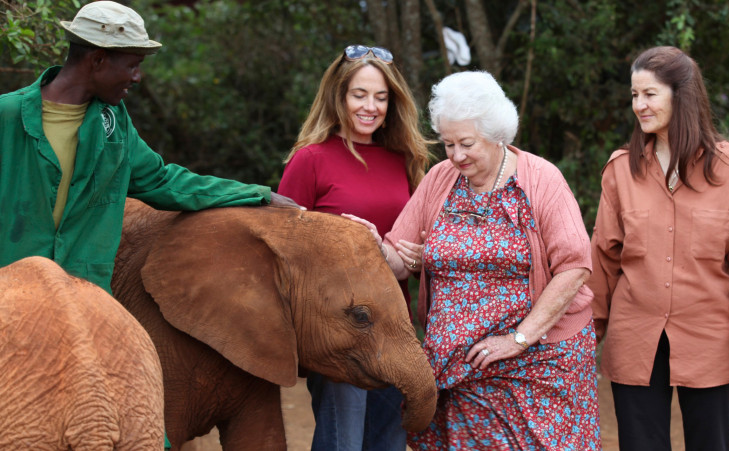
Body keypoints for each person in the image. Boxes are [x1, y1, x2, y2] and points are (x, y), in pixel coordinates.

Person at [350, 70, 601, 449]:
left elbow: (575, 267)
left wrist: (518, 338)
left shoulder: (542, 180)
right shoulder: (440, 179)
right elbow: (399, 257)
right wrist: (376, 247)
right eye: (448, 144)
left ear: (496, 134)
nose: (456, 155)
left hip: (537, 363)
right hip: (457, 367)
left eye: (466, 143)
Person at [0, 1, 296, 297]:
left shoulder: (114, 123)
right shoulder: (8, 116)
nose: (137, 77)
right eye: (132, 65)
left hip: (84, 301)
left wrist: (256, 194)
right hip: (11, 295)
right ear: (98, 60)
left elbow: (163, 181)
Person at [589, 46, 729, 451]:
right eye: (634, 95)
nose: (639, 105)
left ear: (681, 95)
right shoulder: (621, 170)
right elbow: (602, 261)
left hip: (710, 342)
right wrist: (588, 334)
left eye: (649, 94)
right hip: (635, 340)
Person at [277, 45, 430, 450]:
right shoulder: (310, 159)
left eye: (381, 97)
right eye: (359, 95)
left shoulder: (404, 159)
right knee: (342, 443)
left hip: (395, 330)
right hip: (337, 334)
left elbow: (415, 244)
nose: (370, 107)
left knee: (388, 444)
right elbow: (283, 251)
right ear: (339, 96)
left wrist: (413, 257)